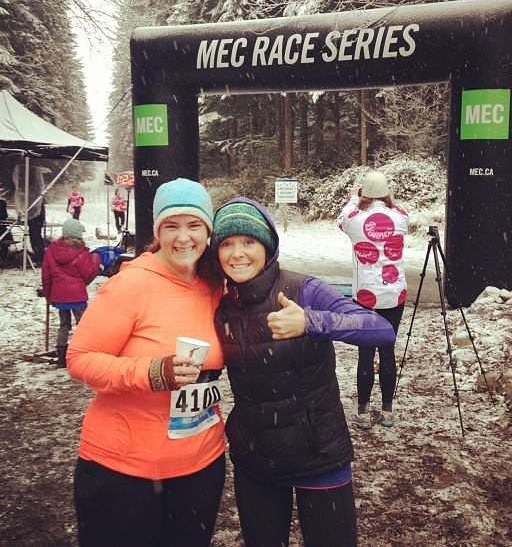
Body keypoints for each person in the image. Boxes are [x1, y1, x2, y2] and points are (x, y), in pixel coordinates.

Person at [210, 197, 396, 547]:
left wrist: (312, 321)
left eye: (249, 242)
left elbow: (380, 330)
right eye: (227, 244)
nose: (237, 253)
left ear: (267, 246)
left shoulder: (302, 289)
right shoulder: (222, 306)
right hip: (255, 458)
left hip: (318, 454)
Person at [66, 178, 226, 547]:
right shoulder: (130, 285)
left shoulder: (215, 285)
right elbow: (80, 359)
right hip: (123, 469)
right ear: (157, 231)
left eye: (194, 225)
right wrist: (153, 372)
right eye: (171, 226)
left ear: (208, 231)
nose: (183, 238)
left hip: (200, 465)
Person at [337, 170, 409, 429]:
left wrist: (354, 199)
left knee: (365, 355)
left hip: (366, 297)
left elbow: (342, 219)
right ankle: (388, 412)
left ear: (364, 193)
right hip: (395, 295)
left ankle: (364, 412)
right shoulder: (401, 217)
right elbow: (400, 210)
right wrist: (388, 199)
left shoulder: (355, 220)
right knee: (388, 352)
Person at [41, 218, 101, 368]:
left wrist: (49, 296)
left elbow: (46, 275)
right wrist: (96, 261)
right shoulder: (80, 253)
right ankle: (83, 352)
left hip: (60, 296)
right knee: (83, 324)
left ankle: (62, 357)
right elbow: (87, 274)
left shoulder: (51, 251)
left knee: (64, 325)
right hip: (77, 296)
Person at [13, 164, 46, 264]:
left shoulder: (35, 190)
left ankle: (40, 257)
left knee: (35, 236)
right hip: (34, 216)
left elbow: (35, 204)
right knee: (34, 236)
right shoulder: (26, 190)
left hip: (37, 217)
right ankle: (39, 256)